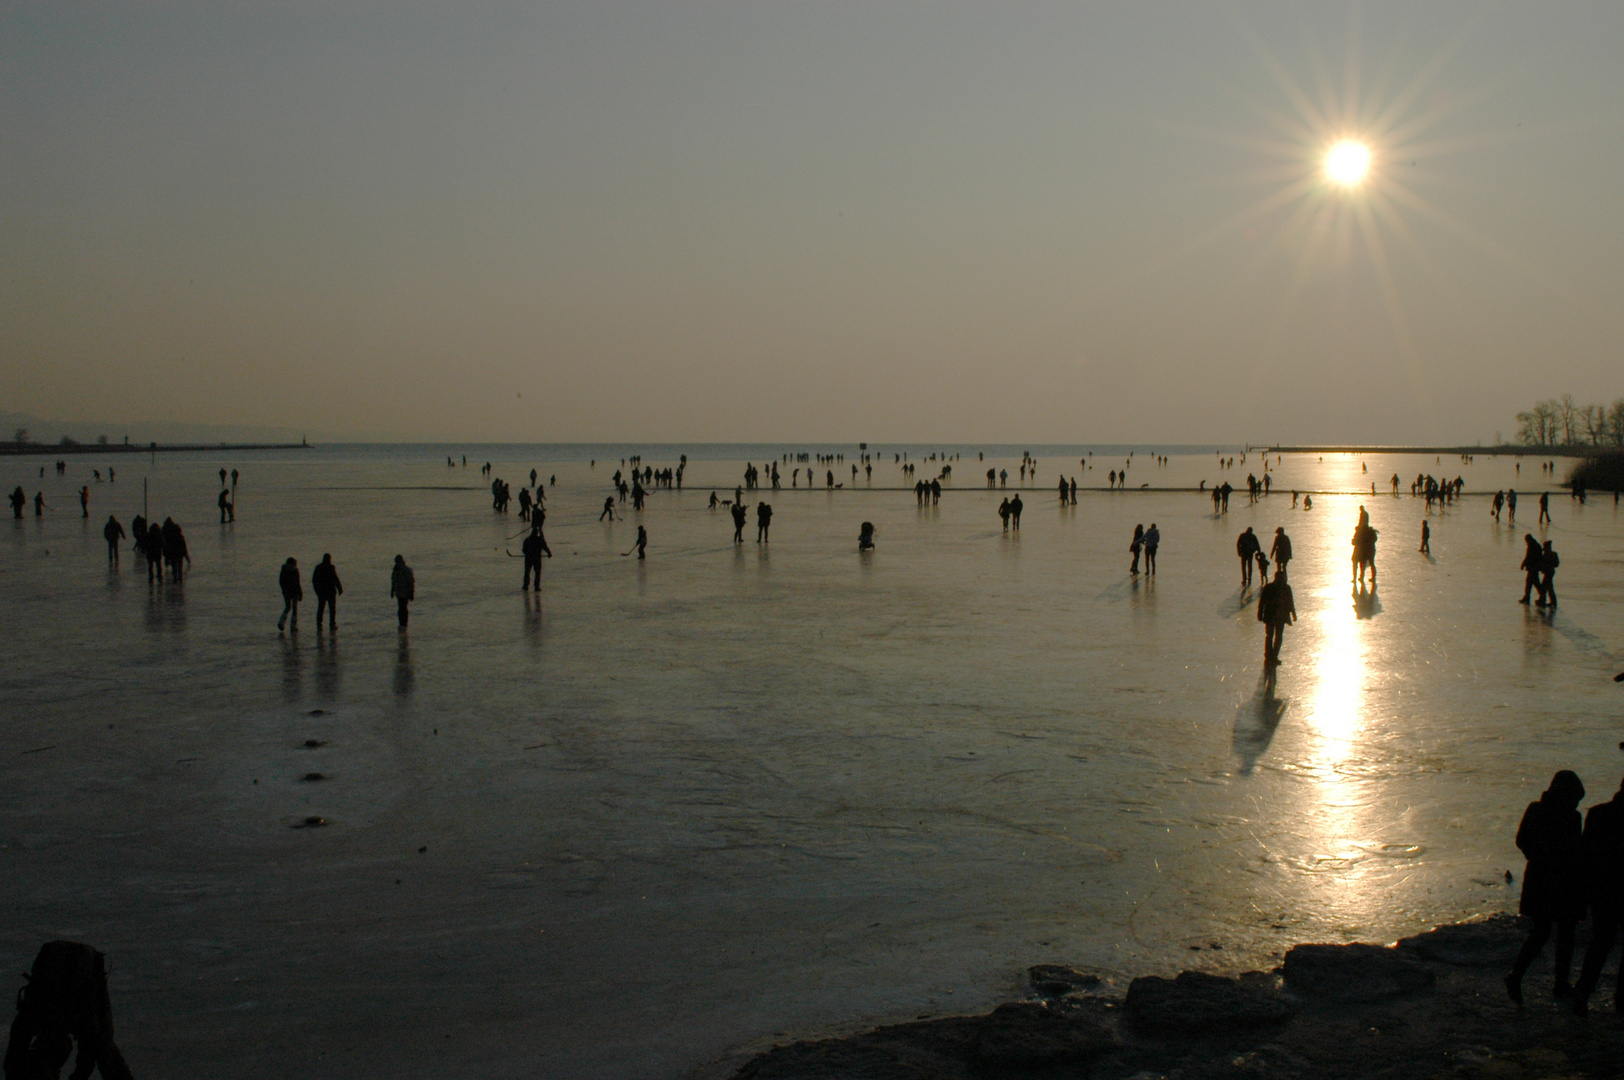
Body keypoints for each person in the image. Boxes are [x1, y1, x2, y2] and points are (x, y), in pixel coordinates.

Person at [1506, 770, 1586, 1005]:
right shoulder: (1565, 816)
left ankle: (1554, 982)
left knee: (1556, 932)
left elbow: (1522, 841)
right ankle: (1522, 977)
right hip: (1552, 880)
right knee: (1552, 932)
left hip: (1550, 880)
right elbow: (1525, 842)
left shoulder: (1542, 811)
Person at [1572, 774, 1624, 1015]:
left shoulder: (1597, 813)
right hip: (1614, 887)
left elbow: (1584, 855)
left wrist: (1584, 890)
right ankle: (1621, 997)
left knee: (1601, 942)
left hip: (1602, 889)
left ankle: (1582, 992)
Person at [1257, 567, 1296, 664]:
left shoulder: (1269, 587)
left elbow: (1262, 602)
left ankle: (1269, 655)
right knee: (1277, 637)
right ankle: (1273, 655)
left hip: (1270, 616)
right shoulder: (1286, 588)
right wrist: (1293, 614)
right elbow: (1290, 602)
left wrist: (1260, 613)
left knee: (1270, 636)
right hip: (1280, 617)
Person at [312, 553, 343, 630]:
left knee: (321, 607)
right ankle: (332, 624)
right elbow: (335, 578)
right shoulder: (331, 567)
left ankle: (319, 623)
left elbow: (314, 580)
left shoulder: (318, 567)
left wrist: (317, 590)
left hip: (322, 591)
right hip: (330, 591)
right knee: (332, 609)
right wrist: (339, 588)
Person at [521, 523, 551, 590]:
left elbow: (524, 550)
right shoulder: (539, 540)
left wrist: (527, 553)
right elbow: (545, 547)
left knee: (527, 572)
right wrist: (549, 553)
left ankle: (526, 585)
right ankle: (536, 586)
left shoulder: (527, 540)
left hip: (528, 558)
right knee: (537, 572)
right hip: (537, 558)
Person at [278, 557, 302, 632]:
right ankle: (293, 626)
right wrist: (300, 593)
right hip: (294, 592)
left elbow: (281, 581)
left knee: (288, 607)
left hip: (286, 591)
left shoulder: (283, 570)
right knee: (294, 609)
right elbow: (297, 583)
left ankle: (282, 622)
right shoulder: (295, 570)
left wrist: (284, 589)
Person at [390, 555, 415, 628]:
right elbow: (393, 581)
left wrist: (411, 592)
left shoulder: (406, 570)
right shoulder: (395, 570)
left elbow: (411, 582)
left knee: (403, 608)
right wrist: (392, 590)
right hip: (399, 592)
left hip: (405, 593)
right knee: (401, 608)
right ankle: (401, 623)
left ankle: (404, 623)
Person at [1538, 540, 1560, 607]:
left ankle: (1543, 600)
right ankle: (1553, 602)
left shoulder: (1547, 554)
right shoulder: (1554, 554)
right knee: (1549, 587)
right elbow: (1557, 564)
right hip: (1551, 572)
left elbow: (1542, 563)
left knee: (1544, 587)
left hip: (1548, 573)